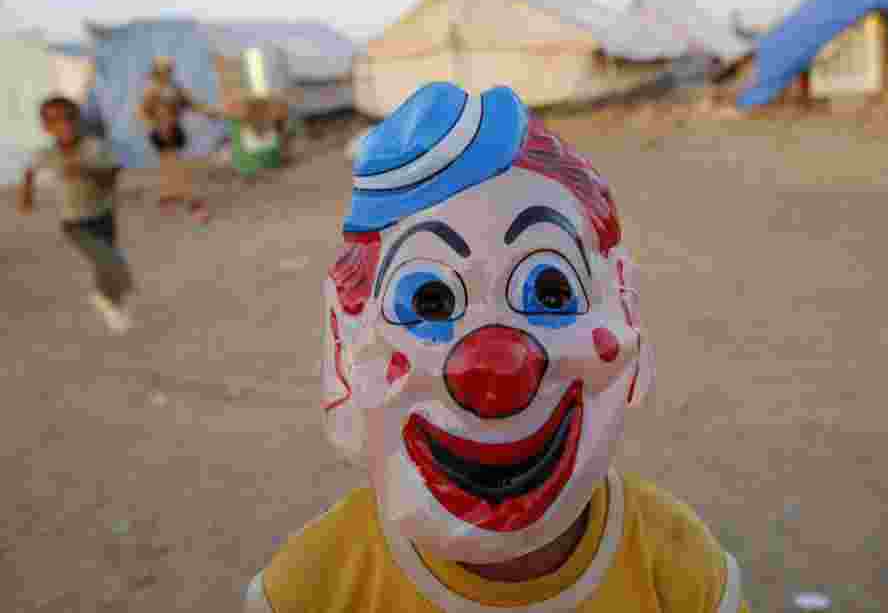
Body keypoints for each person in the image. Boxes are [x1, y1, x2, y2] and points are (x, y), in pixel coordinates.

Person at [244, 82, 750, 612]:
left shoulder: (684, 580)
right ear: (344, 351)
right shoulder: (309, 595)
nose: (495, 374)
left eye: (551, 291)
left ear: (623, 310)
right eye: (429, 301)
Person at [18, 96, 135, 334]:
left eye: (69, 120)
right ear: (46, 127)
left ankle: (110, 305)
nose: (64, 126)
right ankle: (109, 298)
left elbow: (112, 174)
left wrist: (87, 171)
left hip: (103, 214)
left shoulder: (93, 147)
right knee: (111, 263)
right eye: (55, 122)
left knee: (105, 269)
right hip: (74, 223)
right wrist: (27, 197)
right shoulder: (47, 153)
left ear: (78, 121)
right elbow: (29, 170)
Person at [136, 56, 216, 223]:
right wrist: (156, 125)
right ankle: (192, 203)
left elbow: (192, 104)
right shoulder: (152, 91)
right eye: (163, 70)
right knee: (174, 165)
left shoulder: (175, 89)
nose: (167, 73)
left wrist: (207, 111)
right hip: (160, 132)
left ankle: (172, 193)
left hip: (174, 129)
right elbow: (142, 113)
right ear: (156, 73)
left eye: (168, 70)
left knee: (171, 165)